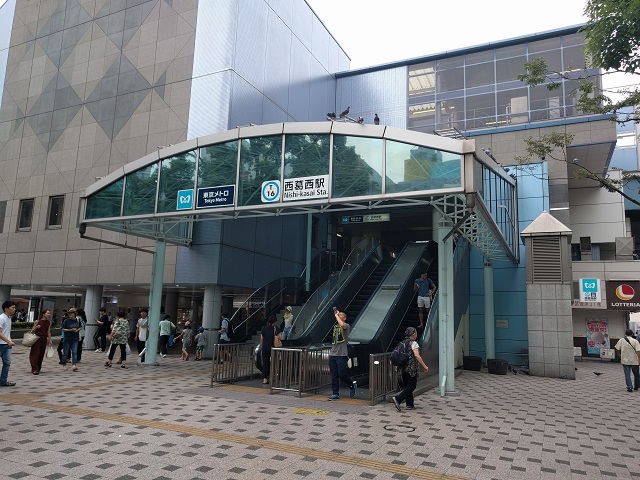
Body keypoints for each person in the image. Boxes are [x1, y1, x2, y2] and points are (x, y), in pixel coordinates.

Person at [392, 327, 429, 411]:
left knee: (407, 386)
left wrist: (397, 366)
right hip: (411, 368)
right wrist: (424, 365)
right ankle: (398, 399)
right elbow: (416, 355)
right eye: (415, 333)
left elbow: (399, 355)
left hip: (403, 368)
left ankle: (410, 404)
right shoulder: (414, 343)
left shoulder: (402, 343)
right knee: (412, 385)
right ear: (413, 334)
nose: (416, 334)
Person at [328, 309, 356, 400]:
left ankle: (351, 384)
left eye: (340, 315)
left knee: (342, 373)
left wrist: (336, 315)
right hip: (333, 353)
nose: (338, 316)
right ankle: (335, 393)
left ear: (344, 318)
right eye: (338, 315)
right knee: (334, 375)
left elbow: (342, 325)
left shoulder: (346, 326)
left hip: (342, 354)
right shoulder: (336, 327)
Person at [29, 309, 53, 375]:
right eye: (47, 313)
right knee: (35, 353)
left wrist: (50, 340)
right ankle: (34, 368)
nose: (49, 315)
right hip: (37, 338)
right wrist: (36, 327)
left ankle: (38, 368)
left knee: (41, 354)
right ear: (43, 314)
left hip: (44, 339)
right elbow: (32, 330)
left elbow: (48, 331)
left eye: (49, 313)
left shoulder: (48, 322)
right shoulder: (37, 321)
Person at [0, 301, 17, 386]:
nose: (14, 309)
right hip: (1, 344)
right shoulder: (1, 318)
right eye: (12, 308)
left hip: (7, 345)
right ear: (6, 309)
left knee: (7, 363)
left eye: (14, 308)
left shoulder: (9, 318)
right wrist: (8, 341)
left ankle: (3, 381)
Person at [260, 315, 280, 384]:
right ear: (274, 322)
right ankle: (273, 376)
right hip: (272, 348)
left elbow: (262, 339)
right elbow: (280, 337)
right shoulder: (275, 328)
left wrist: (262, 346)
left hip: (265, 348)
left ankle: (265, 379)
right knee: (274, 362)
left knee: (266, 363)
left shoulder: (264, 328)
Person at [60, 307, 81, 371]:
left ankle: (74, 365)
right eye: (69, 313)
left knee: (74, 352)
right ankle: (64, 365)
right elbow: (62, 329)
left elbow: (80, 327)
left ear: (75, 314)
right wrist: (70, 330)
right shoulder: (66, 321)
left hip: (75, 338)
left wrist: (77, 330)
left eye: (72, 313)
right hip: (67, 339)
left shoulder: (77, 320)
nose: (70, 315)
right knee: (65, 353)